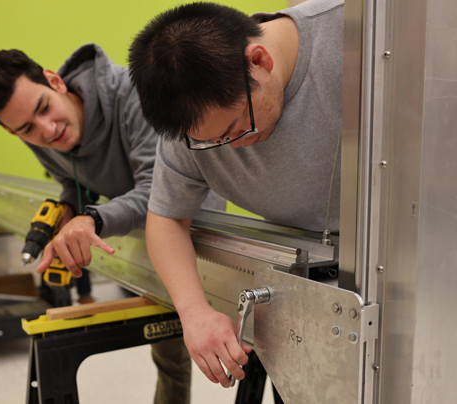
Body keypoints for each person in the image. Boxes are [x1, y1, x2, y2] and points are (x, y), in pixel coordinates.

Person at [0, 44, 223, 403]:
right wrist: (69, 205)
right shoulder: (35, 130)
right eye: (26, 128)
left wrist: (93, 218)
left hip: (195, 223)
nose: (48, 130)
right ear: (13, 132)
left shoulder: (133, 93)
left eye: (44, 108)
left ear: (55, 81)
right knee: (167, 344)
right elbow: (73, 176)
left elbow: (160, 191)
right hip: (134, 226)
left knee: (223, 337)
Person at [128, 0, 344, 394]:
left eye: (235, 128)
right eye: (213, 142)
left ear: (258, 60)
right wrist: (193, 314)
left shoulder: (352, 37)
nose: (235, 147)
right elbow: (165, 219)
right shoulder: (191, 128)